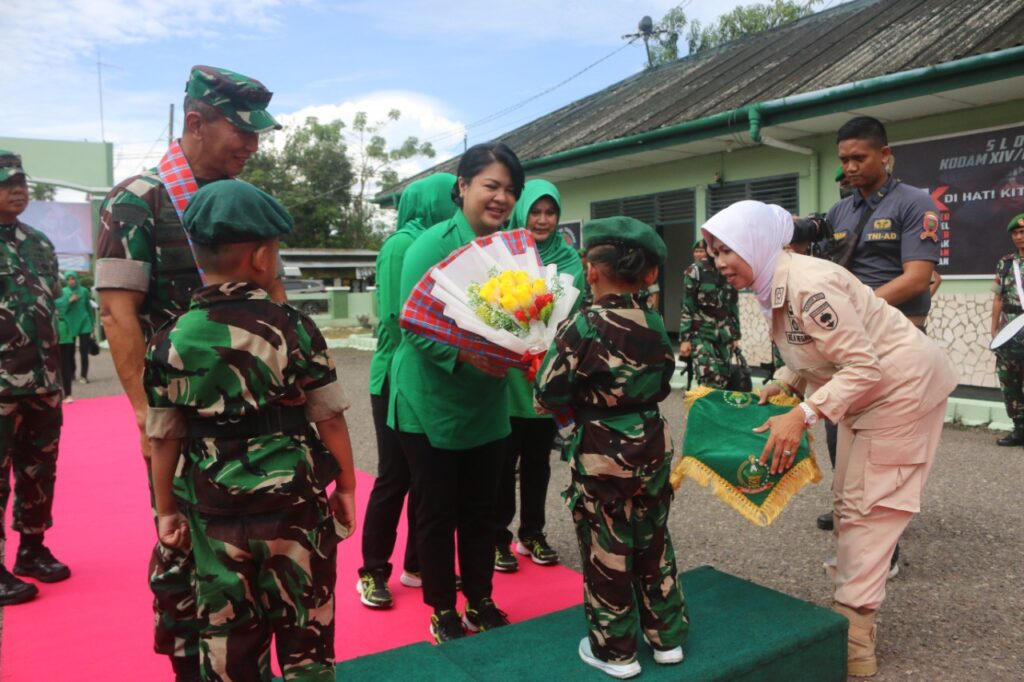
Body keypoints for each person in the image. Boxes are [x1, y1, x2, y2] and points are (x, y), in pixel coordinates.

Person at [702, 200, 957, 677]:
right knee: (847, 502)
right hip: (868, 394)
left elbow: (861, 364)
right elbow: (818, 349)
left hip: (901, 390)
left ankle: (856, 640)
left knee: (870, 508)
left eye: (728, 250)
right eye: (714, 253)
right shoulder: (774, 281)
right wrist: (787, 381)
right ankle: (849, 611)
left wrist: (803, 413)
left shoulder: (808, 284)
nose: (720, 263)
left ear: (755, 243)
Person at [96, 65, 281, 680]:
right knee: (185, 552)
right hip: (182, 422)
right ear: (196, 122)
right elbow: (118, 314)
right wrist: (145, 416)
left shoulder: (243, 202)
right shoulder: (137, 201)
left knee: (257, 554)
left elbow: (273, 298)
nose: (252, 147)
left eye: (257, 136)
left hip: (255, 420)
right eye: (242, 132)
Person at [146, 181, 356, 679]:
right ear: (262, 256)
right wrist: (346, 485)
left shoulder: (169, 339)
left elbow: (164, 437)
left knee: (228, 637)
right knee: (307, 633)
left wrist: (167, 509)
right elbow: (328, 415)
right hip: (293, 510)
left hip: (212, 514)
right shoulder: (293, 327)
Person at [536, 216, 688, 679]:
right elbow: (664, 381)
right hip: (652, 442)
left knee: (607, 545)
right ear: (644, 272)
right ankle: (667, 639)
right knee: (653, 537)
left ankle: (616, 651)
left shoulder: (582, 325)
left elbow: (546, 395)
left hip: (603, 450)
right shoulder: (655, 322)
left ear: (591, 269)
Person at [388, 142, 524, 643]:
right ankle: (443, 607)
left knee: (482, 509)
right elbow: (412, 326)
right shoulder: (429, 246)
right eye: (491, 185)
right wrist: (468, 356)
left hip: (486, 402)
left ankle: (481, 599)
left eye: (511, 189)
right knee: (436, 510)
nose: (502, 197)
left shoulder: (512, 251)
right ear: (463, 186)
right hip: (429, 402)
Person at [814, 117, 940, 553]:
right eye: (844, 159)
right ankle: (851, 505)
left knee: (885, 438)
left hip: (897, 335)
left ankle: (884, 539)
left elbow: (917, 277)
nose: (850, 167)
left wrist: (859, 309)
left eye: (859, 158)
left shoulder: (915, 203)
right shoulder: (839, 212)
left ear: (884, 155)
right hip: (849, 338)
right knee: (841, 429)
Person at [357, 172, 457, 608]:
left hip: (428, 378)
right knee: (395, 476)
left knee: (428, 478)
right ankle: (373, 571)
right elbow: (400, 318)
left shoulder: (444, 243)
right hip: (395, 378)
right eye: (450, 196)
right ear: (430, 201)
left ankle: (418, 565)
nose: (456, 204)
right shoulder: (402, 244)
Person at [494, 179, 584, 573]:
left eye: (550, 213)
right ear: (522, 213)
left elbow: (570, 313)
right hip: (508, 374)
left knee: (537, 461)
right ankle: (496, 537)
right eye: (535, 212)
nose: (543, 220)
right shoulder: (503, 253)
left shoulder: (568, 259)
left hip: (546, 374)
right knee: (502, 463)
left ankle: (532, 532)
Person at [0, 150, 70, 606]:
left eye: (21, 182)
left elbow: (51, 298)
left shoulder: (39, 242)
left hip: (43, 380)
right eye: (7, 184)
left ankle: (32, 549)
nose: (18, 190)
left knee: (39, 470)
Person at [678, 237, 740, 388]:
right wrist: (685, 339)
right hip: (701, 335)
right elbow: (687, 305)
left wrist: (735, 336)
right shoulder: (695, 271)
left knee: (724, 380)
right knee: (709, 380)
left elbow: (733, 306)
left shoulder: (728, 271)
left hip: (724, 337)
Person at [991, 213, 1024, 446]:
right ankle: (1019, 428)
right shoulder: (1005, 263)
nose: (1019, 237)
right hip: (1010, 330)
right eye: (1015, 233)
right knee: (1008, 377)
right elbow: (997, 298)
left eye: (1022, 232)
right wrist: (994, 329)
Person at [56, 272, 95, 402]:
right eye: (68, 279)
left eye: (73, 279)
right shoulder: (63, 292)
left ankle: (84, 375)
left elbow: (88, 307)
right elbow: (60, 310)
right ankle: (71, 373)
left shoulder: (84, 291)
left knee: (84, 350)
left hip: (84, 322)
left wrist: (92, 323)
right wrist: (69, 301)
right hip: (70, 323)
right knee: (70, 352)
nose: (71, 281)